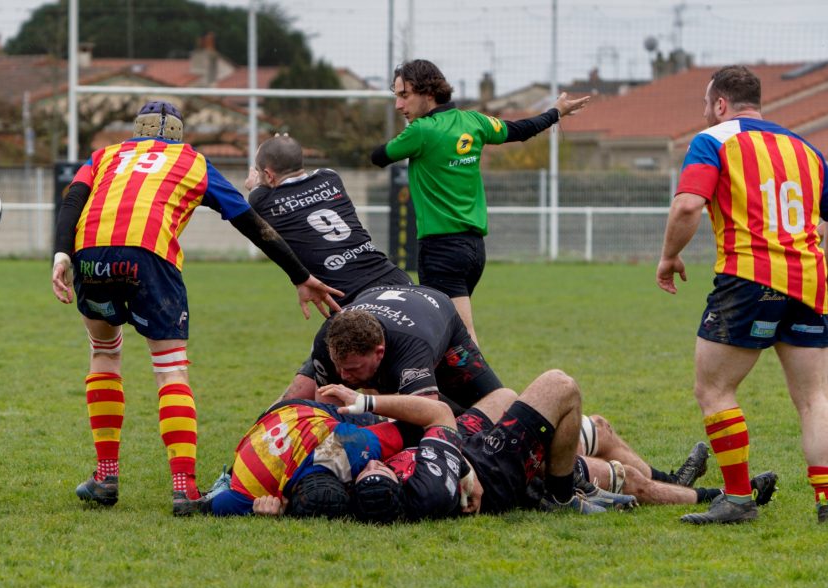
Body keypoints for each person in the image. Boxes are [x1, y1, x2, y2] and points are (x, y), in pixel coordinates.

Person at [50, 101, 342, 516]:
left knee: (104, 353)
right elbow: (248, 220)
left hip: (91, 255)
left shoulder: (104, 155)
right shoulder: (192, 161)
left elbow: (72, 200)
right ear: (177, 136)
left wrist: (62, 254)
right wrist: (299, 274)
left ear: (137, 132)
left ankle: (106, 476)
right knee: (170, 369)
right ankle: (184, 488)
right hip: (150, 258)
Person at [655, 65, 828, 524]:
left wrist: (669, 256)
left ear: (720, 104)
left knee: (714, 388)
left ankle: (737, 499)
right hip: (810, 280)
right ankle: (826, 501)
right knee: (815, 397)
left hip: (749, 277)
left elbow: (689, 203)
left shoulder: (713, 140)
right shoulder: (807, 149)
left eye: (705, 106)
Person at [371, 59, 589, 345]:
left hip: (441, 250)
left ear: (428, 92)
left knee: (459, 337)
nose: (399, 106)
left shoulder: (421, 131)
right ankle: (449, 389)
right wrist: (555, 112)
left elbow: (378, 156)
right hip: (473, 251)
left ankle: (485, 390)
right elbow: (521, 129)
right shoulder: (474, 121)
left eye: (404, 95)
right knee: (443, 333)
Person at [245, 135, 414, 401]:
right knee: (381, 375)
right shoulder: (330, 177)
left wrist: (256, 181)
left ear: (267, 173)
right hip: (396, 280)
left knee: (345, 383)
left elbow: (255, 192)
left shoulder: (262, 201)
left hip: (354, 301)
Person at [346, 371, 614, 523]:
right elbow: (439, 414)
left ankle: (549, 480)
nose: (372, 463)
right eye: (380, 470)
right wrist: (366, 402)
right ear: (397, 485)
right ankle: (560, 496)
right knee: (560, 385)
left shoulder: (361, 492)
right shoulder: (429, 492)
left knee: (504, 396)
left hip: (463, 447)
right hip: (491, 469)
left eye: (367, 471)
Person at [200, 388, 458, 518]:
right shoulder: (251, 488)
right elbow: (209, 505)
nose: (371, 467)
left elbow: (420, 423)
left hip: (298, 412)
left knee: (368, 419)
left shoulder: (349, 449)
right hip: (276, 421)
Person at [307, 284, 505, 410]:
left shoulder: (412, 347)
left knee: (498, 410)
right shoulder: (325, 342)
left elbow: (429, 412)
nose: (343, 376)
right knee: (310, 400)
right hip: (375, 295)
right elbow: (327, 413)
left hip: (431, 309)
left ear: (379, 353)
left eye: (353, 369)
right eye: (339, 366)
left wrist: (368, 406)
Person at [576, 414, 778, 507]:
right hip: (547, 470)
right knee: (628, 478)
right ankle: (731, 495)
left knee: (599, 428)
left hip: (549, 452)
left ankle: (673, 483)